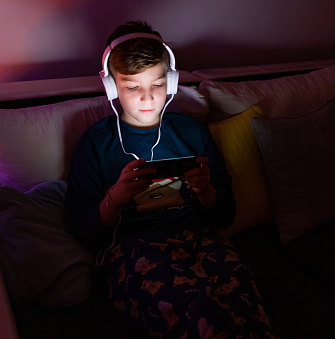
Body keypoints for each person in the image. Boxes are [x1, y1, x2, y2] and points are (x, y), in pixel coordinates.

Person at [66, 20, 279, 339]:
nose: (147, 98)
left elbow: (226, 215)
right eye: (132, 86)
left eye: (157, 83)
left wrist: (205, 191)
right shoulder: (96, 144)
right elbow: (81, 231)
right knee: (201, 318)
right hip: (134, 249)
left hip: (202, 238)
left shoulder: (192, 133)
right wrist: (115, 198)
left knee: (249, 313)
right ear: (111, 87)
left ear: (173, 80)